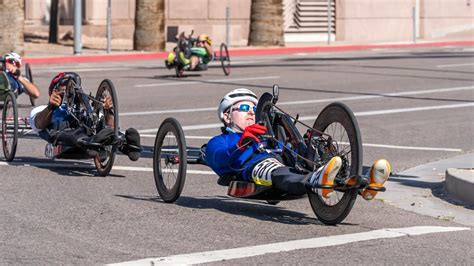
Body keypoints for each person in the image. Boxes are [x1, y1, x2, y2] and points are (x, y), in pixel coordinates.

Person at [205, 88, 391, 200]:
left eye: (254, 108)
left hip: (285, 156)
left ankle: (363, 183)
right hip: (253, 165)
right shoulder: (220, 141)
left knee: (314, 151)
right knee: (276, 171)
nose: (252, 113)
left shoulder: (265, 131)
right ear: (227, 116)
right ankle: (316, 180)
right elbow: (219, 158)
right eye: (244, 108)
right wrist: (243, 143)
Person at [29, 72, 141, 161]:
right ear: (53, 91)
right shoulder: (40, 110)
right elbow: (39, 124)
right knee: (74, 133)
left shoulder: (88, 109)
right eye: (63, 91)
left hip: (91, 133)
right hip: (62, 133)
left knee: (102, 127)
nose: (68, 94)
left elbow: (110, 125)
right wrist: (50, 107)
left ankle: (129, 144)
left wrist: (108, 110)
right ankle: (91, 142)